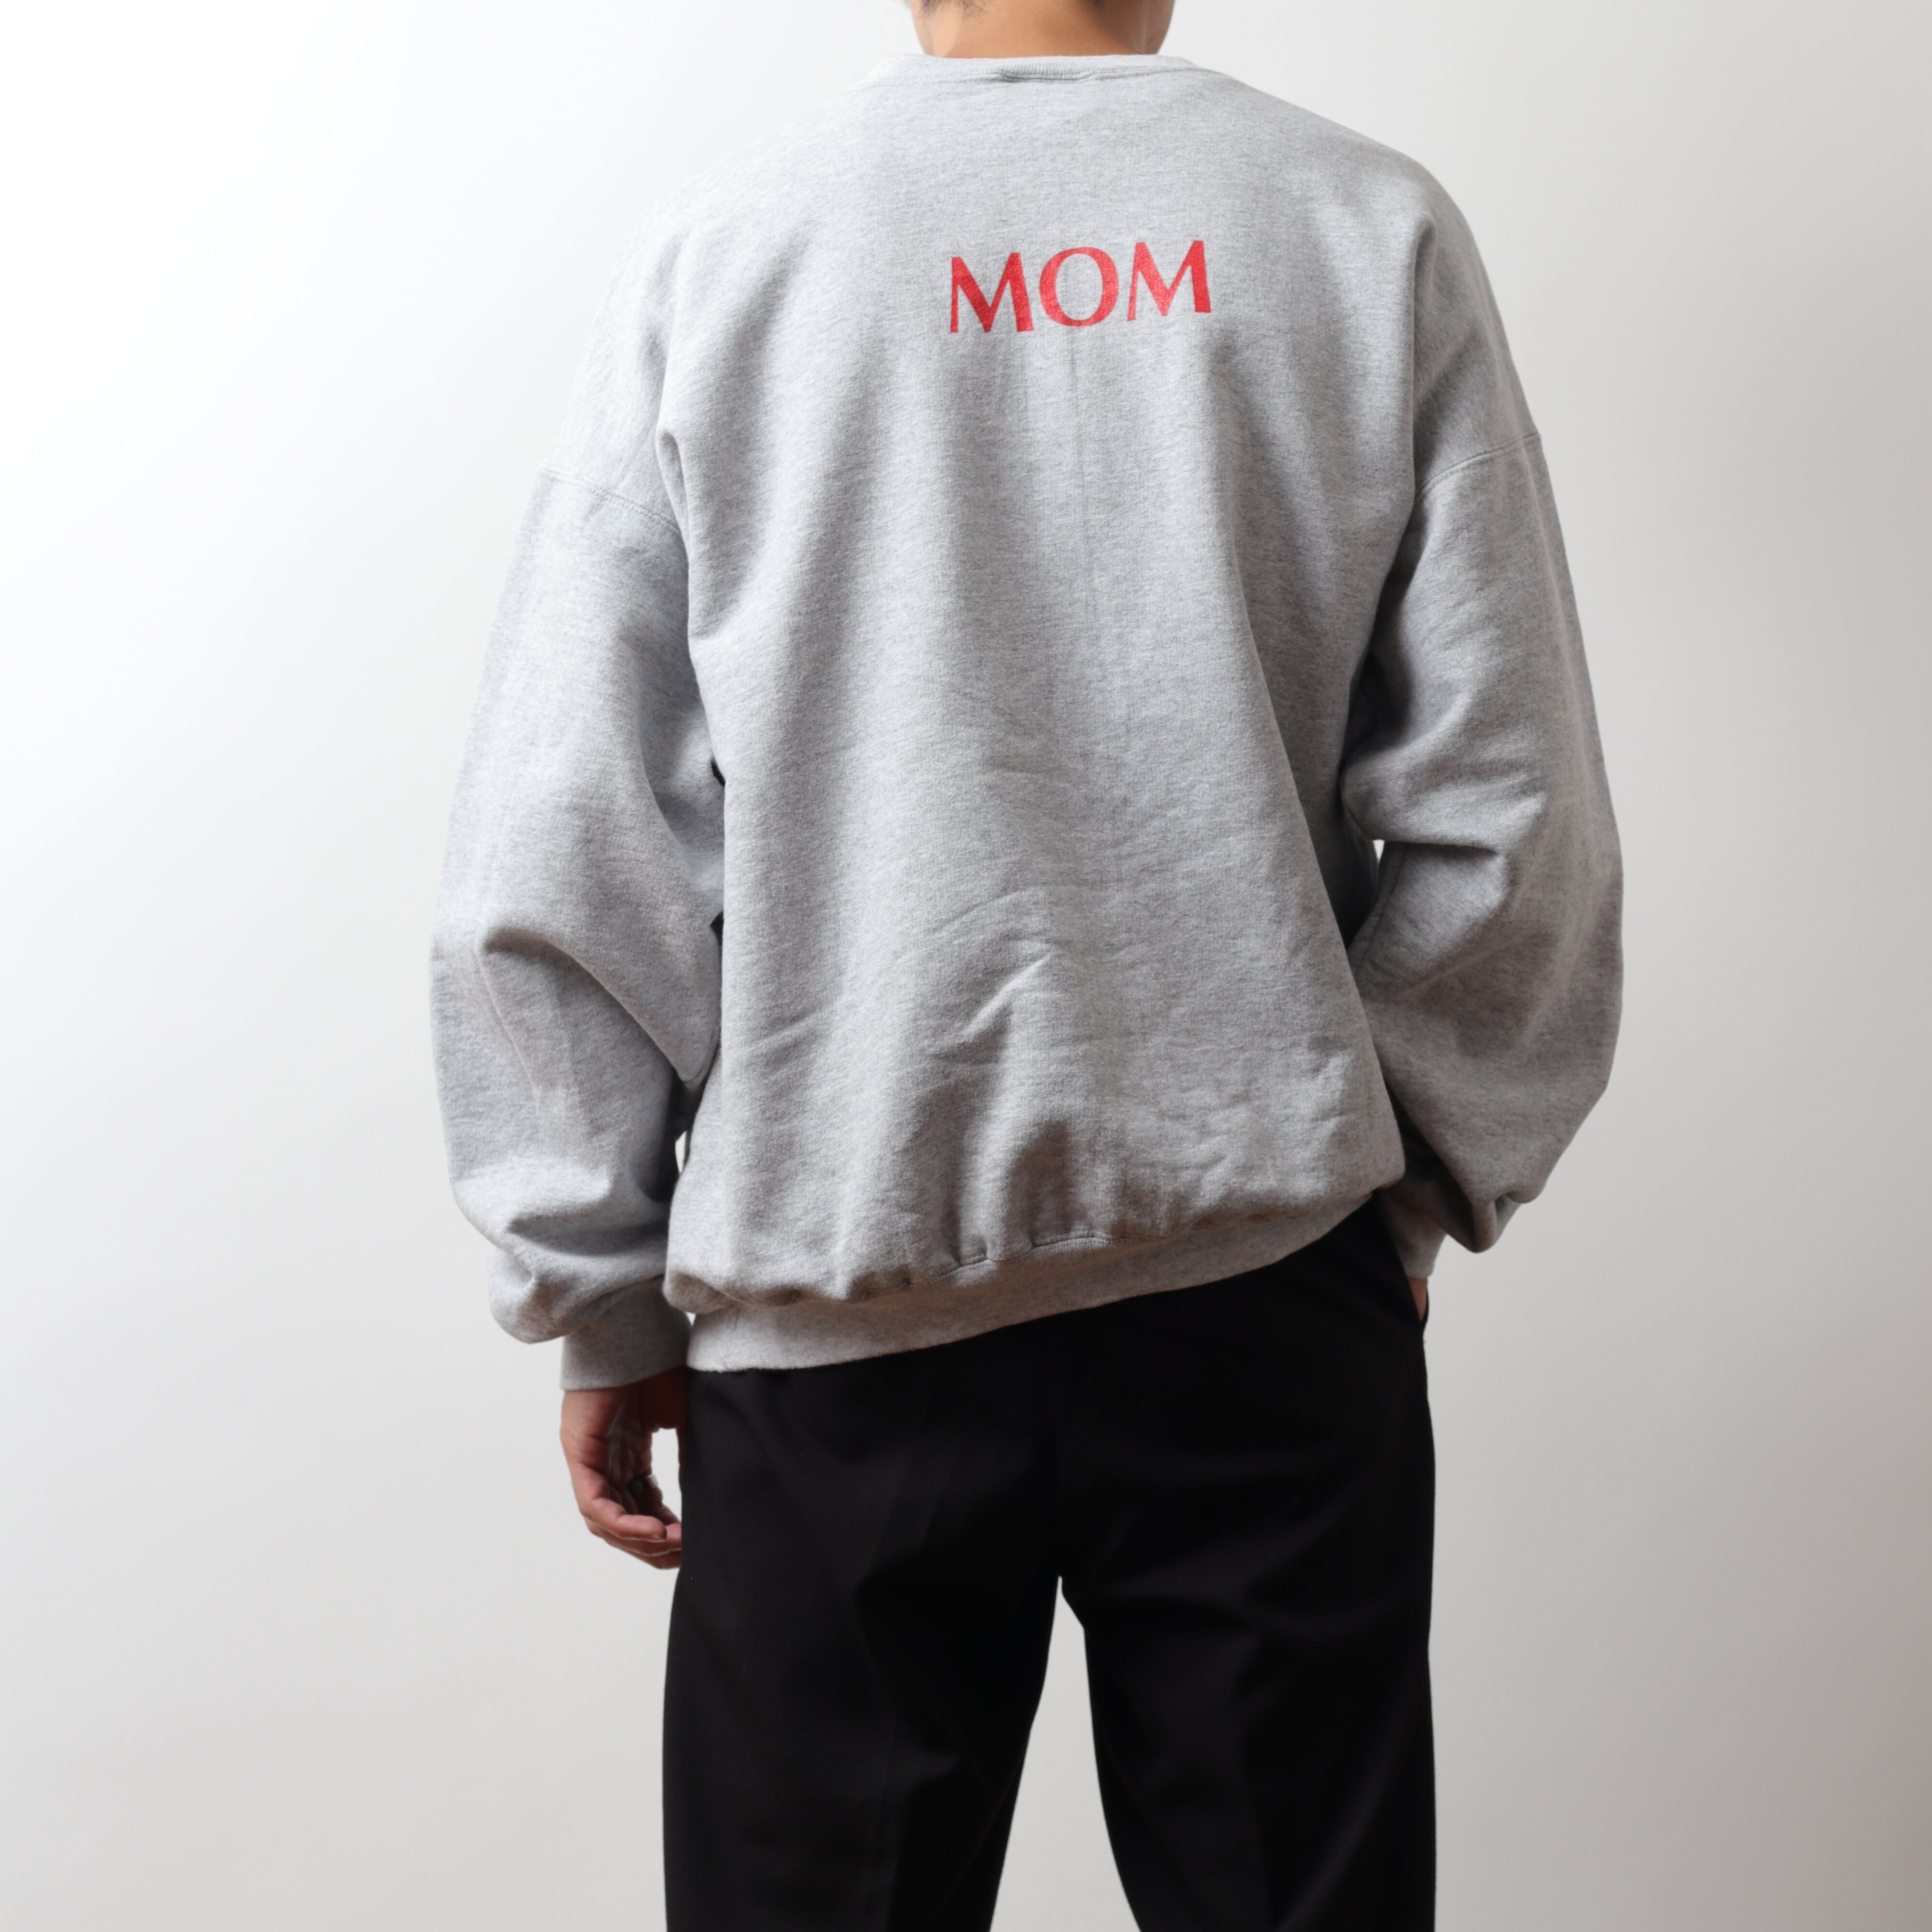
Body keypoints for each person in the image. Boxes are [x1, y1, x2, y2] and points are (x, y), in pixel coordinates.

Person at [431, 0, 1621, 1923]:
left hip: (839, 1303)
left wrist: (597, 1286)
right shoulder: (1358, 225)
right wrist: (1401, 1179)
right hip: (1261, 1300)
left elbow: (566, 821)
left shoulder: (731, 250)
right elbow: (1513, 801)